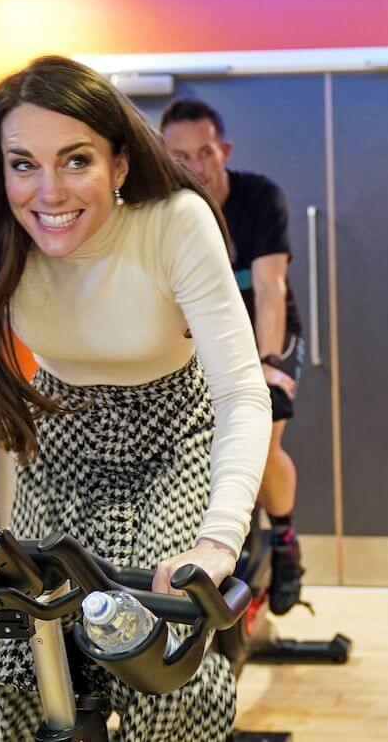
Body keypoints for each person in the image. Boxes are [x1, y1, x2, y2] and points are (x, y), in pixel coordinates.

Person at [0, 56, 272, 741]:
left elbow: (239, 388)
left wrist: (217, 540)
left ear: (119, 164)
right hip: (60, 436)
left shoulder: (173, 222)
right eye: (23, 163)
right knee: (11, 660)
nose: (48, 192)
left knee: (156, 655)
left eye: (76, 160)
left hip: (177, 431)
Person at [160, 98, 307, 614]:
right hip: (202, 339)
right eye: (180, 157)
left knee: (260, 442)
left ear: (223, 150)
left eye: (204, 153)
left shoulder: (259, 198)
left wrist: (266, 364)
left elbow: (271, 287)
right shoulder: (164, 209)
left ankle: (286, 543)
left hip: (267, 334)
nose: (195, 167)